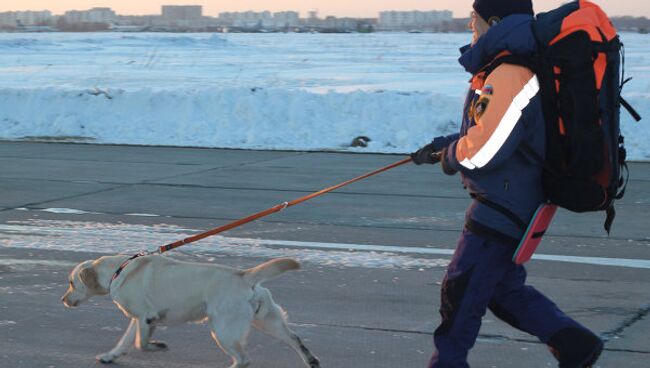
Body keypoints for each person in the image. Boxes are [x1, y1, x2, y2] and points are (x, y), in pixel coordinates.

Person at [410, 1, 603, 367]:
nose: (470, 23)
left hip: (502, 204)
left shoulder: (510, 71)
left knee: (461, 292)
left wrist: (452, 157)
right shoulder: (512, 65)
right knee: (501, 290)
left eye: (475, 17)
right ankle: (575, 343)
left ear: (495, 22)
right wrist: (442, 147)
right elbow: (499, 131)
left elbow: (487, 150)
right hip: (514, 198)